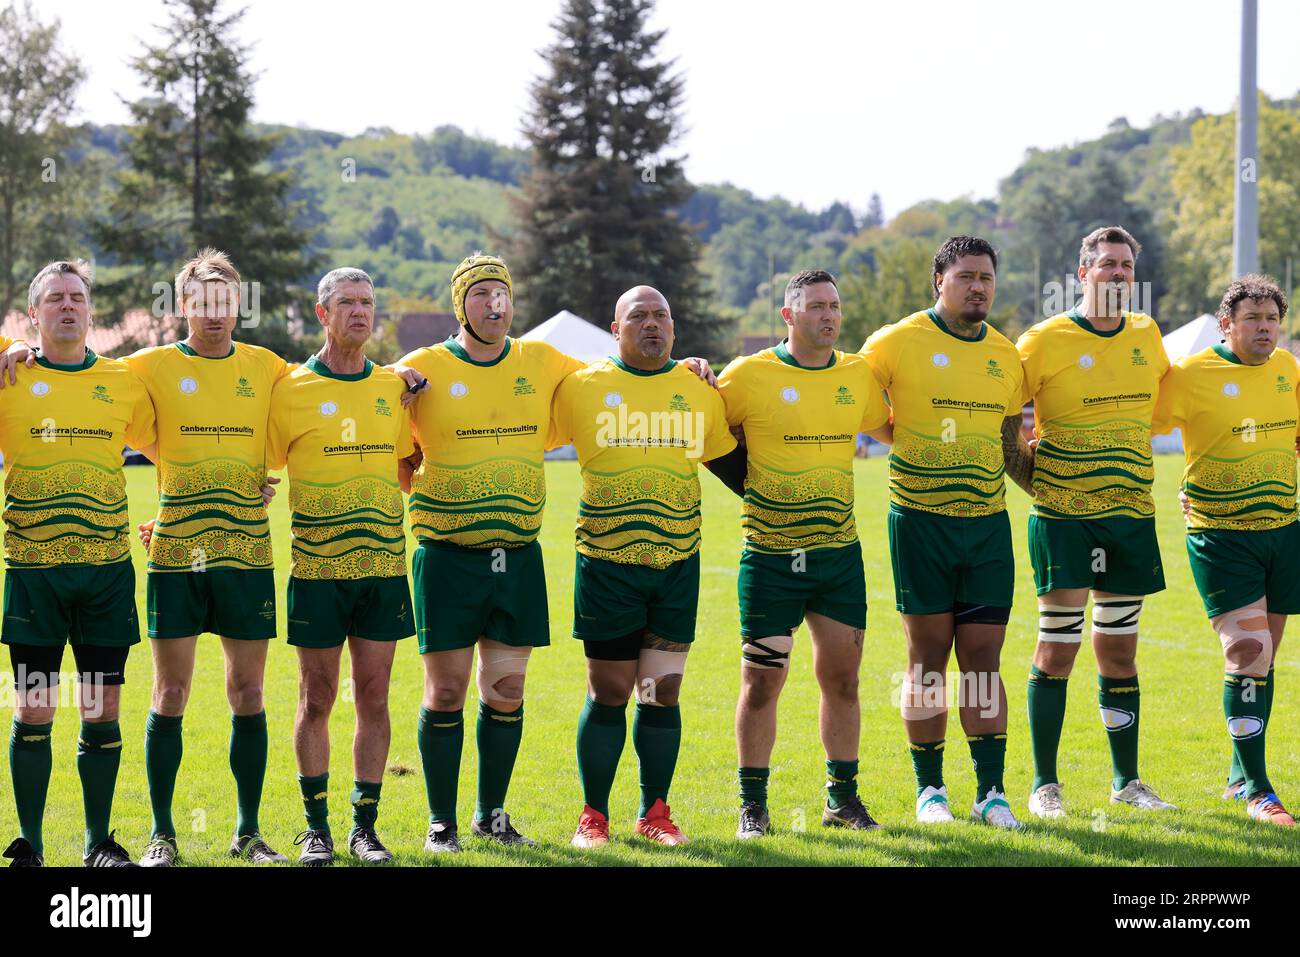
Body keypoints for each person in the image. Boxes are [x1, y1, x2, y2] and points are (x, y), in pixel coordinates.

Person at [550, 285, 735, 848]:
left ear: (674, 329)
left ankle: (655, 813)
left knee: (661, 691)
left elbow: (730, 461)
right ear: (615, 327)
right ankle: (593, 817)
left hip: (677, 563)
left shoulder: (699, 389)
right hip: (606, 564)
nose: (652, 324)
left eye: (661, 316)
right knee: (608, 690)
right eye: (639, 316)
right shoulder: (581, 388)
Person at [125, 249, 292, 865]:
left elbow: (330, 390)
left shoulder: (269, 367)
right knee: (169, 692)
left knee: (248, 694)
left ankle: (248, 833)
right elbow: (78, 375)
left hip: (247, 552)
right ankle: (162, 836)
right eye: (204, 303)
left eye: (227, 302)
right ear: (184, 306)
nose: (217, 314)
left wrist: (401, 378)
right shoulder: (150, 366)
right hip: (176, 551)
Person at [717, 269, 891, 838]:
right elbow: (708, 432)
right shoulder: (749, 374)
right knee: (762, 681)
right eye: (816, 306)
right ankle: (753, 807)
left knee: (843, 680)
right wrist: (752, 487)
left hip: (838, 555)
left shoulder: (857, 374)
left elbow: (885, 427)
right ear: (788, 316)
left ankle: (842, 801)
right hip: (769, 554)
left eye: (835, 306)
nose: (829, 316)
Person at [862, 237, 1026, 828]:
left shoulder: (1006, 355)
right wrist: (901, 436)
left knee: (984, 658)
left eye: (986, 277)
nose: (978, 287)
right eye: (965, 276)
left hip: (986, 526)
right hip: (920, 523)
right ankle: (930, 790)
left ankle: (991, 791)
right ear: (939, 281)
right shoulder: (896, 340)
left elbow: (1010, 444)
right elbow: (851, 394)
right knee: (927, 657)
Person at [1012, 226, 1175, 819]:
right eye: (1106, 264)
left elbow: (1170, 401)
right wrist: (1032, 475)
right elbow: (1006, 413)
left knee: (1120, 652)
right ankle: (1044, 785)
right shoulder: (1043, 339)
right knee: (1057, 649)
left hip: (1129, 518)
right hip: (1064, 520)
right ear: (1082, 274)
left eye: (1126, 265)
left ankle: (1127, 781)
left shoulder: (1146, 333)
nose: (1117, 273)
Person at [1, 260, 156, 866]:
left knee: (101, 707)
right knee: (34, 705)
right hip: (33, 571)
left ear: (90, 311)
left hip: (105, 574)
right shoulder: (10, 376)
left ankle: (98, 842)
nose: (68, 306)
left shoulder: (121, 382)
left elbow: (170, 448)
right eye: (55, 299)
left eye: (77, 298)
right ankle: (31, 846)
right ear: (33, 312)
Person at [266, 268, 418, 864]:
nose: (360, 312)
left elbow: (410, 466)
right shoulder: (293, 389)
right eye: (347, 303)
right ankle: (316, 827)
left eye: (368, 303)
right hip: (317, 571)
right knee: (318, 695)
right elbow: (261, 470)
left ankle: (365, 825)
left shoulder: (393, 387)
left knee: (375, 694)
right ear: (322, 314)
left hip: (382, 569)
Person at [1153, 274, 1296, 826]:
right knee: (1248, 653)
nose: (1264, 329)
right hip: (1221, 534)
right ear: (1226, 324)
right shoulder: (1191, 374)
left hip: (1285, 530)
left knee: (1265, 658)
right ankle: (1261, 790)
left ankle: (1239, 778)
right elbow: (1139, 423)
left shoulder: (1288, 369)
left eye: (1272, 319)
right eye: (1253, 319)